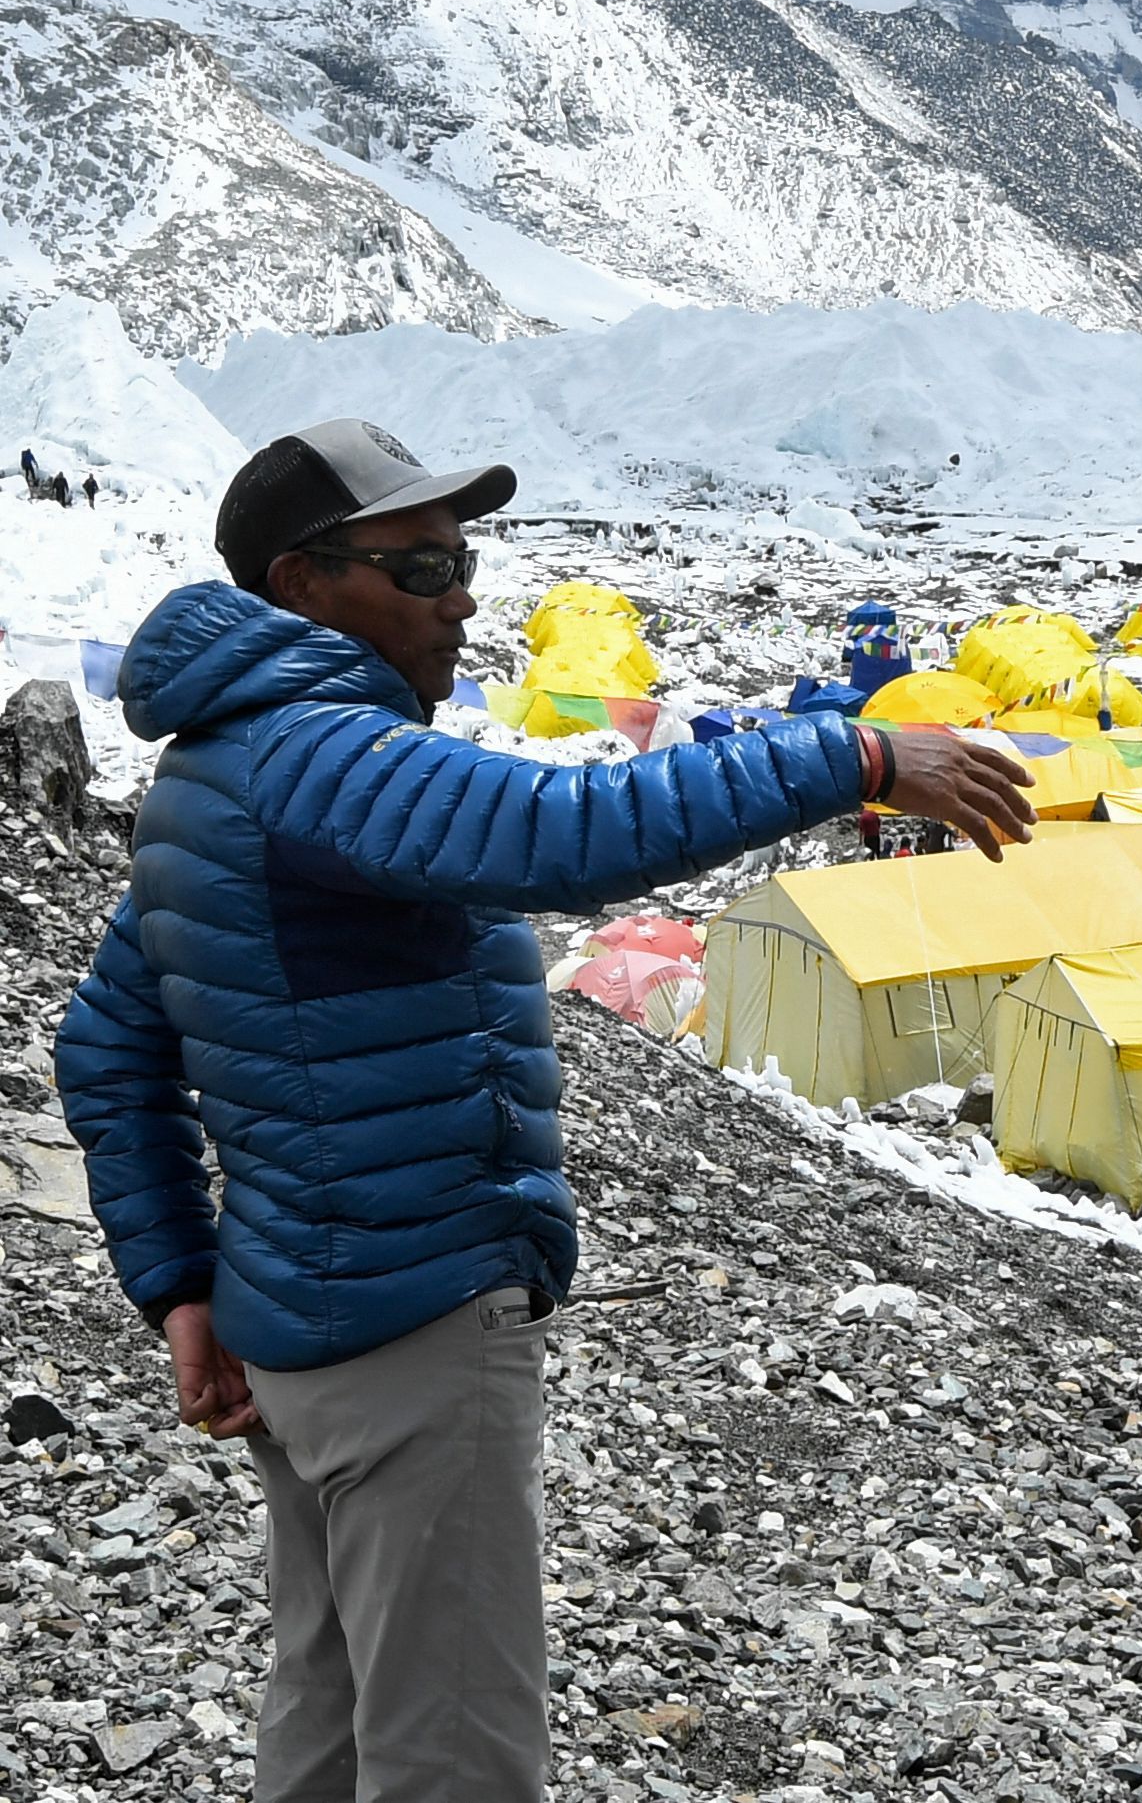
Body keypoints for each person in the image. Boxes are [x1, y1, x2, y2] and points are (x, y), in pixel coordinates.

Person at [54, 418, 1034, 1801]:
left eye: (464, 560)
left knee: (327, 1727)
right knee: (452, 1753)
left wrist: (182, 1290)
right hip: (413, 1325)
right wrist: (854, 761)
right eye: (420, 564)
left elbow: (104, 1043)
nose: (461, 595)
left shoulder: (210, 774)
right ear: (301, 583)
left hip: (299, 1326)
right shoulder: (320, 755)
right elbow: (567, 836)